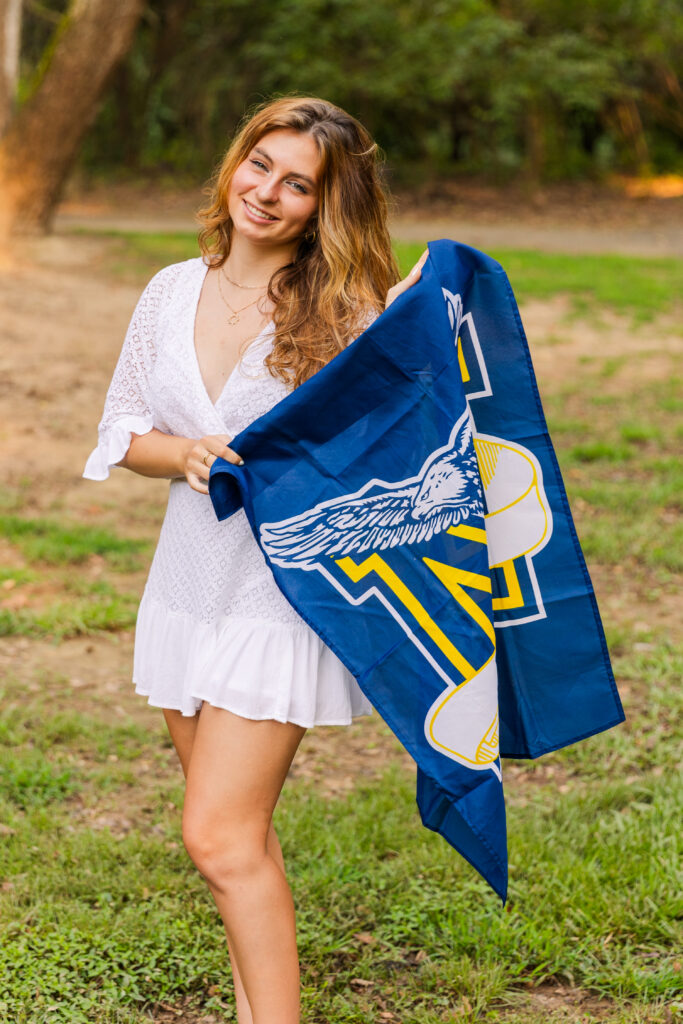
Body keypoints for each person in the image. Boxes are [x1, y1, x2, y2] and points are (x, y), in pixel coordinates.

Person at [83, 96, 426, 1024]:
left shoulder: (349, 308)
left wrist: (413, 321)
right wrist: (186, 453)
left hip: (282, 593)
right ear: (234, 163)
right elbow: (122, 427)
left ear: (325, 206)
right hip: (188, 581)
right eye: (258, 165)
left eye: (298, 184)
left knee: (218, 836)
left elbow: (403, 441)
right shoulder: (167, 289)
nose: (267, 193)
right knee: (238, 840)